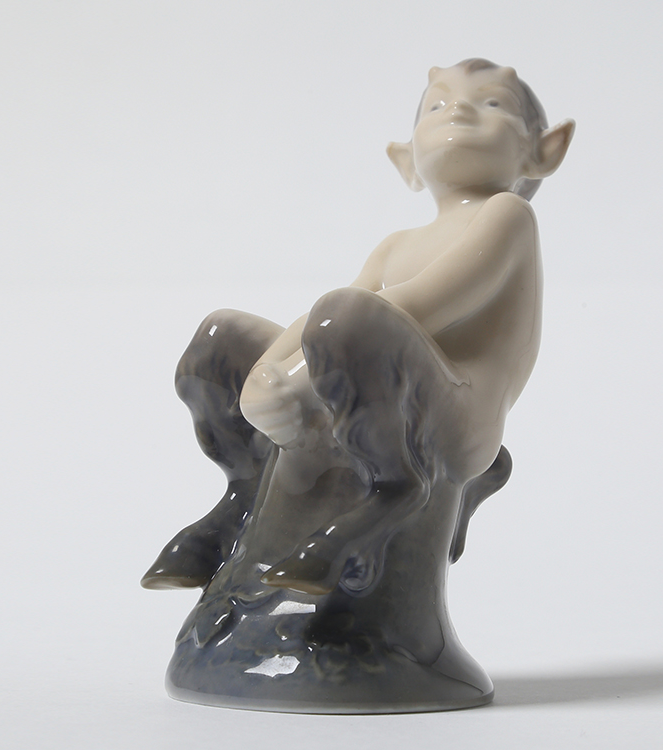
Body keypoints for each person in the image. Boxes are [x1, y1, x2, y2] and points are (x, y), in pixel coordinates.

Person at [142, 58, 574, 598]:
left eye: (492, 103)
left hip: (454, 416)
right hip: (383, 384)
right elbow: (321, 319)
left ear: (542, 151)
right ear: (406, 161)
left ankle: (394, 494)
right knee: (218, 340)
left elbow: (420, 305)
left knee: (347, 316)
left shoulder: (507, 217)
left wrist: (294, 380)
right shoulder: (394, 246)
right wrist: (263, 376)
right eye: (436, 104)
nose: (459, 109)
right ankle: (241, 497)